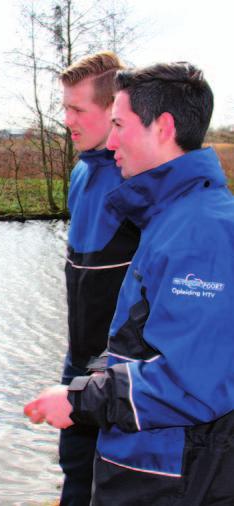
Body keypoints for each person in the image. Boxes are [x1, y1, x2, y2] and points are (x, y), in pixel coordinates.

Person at [24, 62, 234, 505]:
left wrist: (80, 400)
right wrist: (88, 381)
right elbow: (142, 342)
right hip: (146, 459)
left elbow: (192, 384)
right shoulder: (169, 217)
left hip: (170, 472)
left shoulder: (200, 233)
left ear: (164, 127)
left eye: (119, 124)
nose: (112, 141)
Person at [55, 51, 140, 506]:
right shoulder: (80, 172)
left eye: (77, 109)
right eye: (65, 107)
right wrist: (74, 366)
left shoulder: (137, 181)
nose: (66, 119)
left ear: (113, 110)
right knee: (73, 472)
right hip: (79, 364)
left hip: (120, 378)